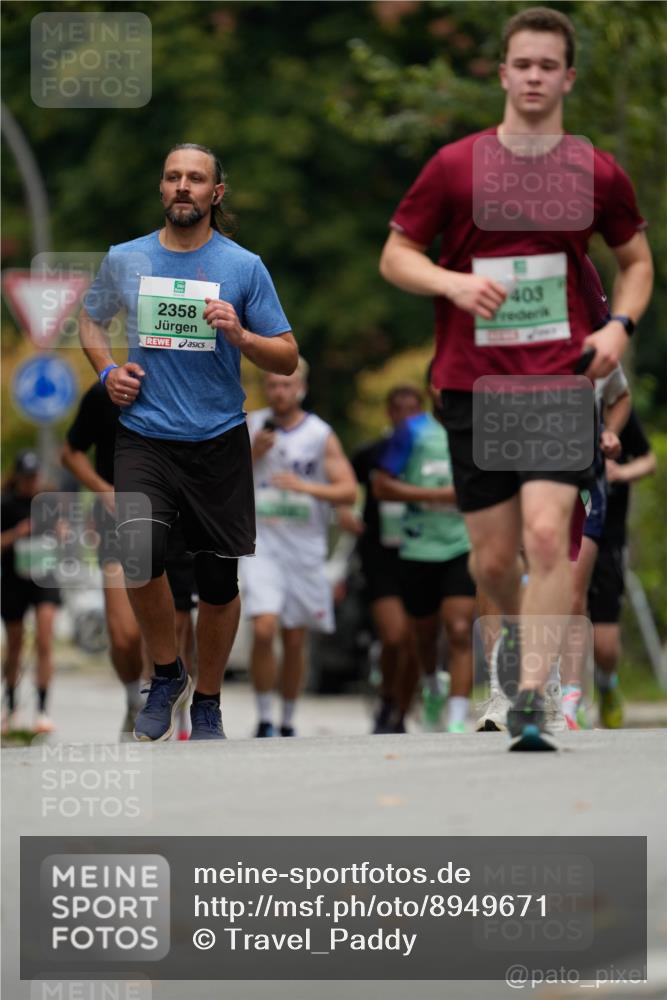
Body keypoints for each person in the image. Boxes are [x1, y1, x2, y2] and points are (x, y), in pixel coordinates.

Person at [380, 7, 652, 750]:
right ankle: (511, 662)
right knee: (493, 562)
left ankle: (534, 695)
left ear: (566, 77)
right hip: (472, 384)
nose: (533, 77)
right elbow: (395, 254)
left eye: (547, 66)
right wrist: (451, 284)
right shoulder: (454, 167)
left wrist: (615, 328)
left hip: (557, 379)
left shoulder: (593, 170)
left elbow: (635, 264)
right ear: (502, 74)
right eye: (521, 64)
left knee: (545, 535)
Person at [78, 142, 297, 742]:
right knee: (138, 553)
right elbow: (91, 319)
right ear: (161, 188)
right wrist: (106, 373)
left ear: (215, 194)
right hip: (145, 435)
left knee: (219, 585)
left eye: (195, 179)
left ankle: (208, 701)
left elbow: (286, 354)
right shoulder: (127, 259)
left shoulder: (243, 266)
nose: (183, 187)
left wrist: (241, 333)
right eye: (173, 176)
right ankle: (167, 674)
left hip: (219, 437)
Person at [62, 381, 198, 738]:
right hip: (118, 518)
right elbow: (71, 452)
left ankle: (167, 706)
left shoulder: (188, 384)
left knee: (176, 622)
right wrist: (103, 489)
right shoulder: (105, 392)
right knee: (123, 636)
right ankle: (133, 699)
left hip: (175, 518)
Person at [241, 359, 357, 737]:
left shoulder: (320, 434)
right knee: (263, 627)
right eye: (273, 385)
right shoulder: (251, 426)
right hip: (261, 543)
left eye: (286, 385)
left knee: (294, 636)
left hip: (305, 547)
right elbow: (219, 476)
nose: (279, 392)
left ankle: (288, 718)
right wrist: (253, 453)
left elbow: (348, 490)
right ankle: (263, 717)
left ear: (301, 388)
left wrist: (305, 487)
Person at [373, 375, 476, 733]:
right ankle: (432, 685)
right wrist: (432, 495)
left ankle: (458, 720)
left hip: (463, 544)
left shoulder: (480, 426)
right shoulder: (412, 431)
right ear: (433, 389)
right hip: (419, 546)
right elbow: (381, 485)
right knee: (424, 636)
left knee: (460, 629)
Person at [337, 384, 423, 734]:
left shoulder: (431, 452)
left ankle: (402, 709)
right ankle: (387, 697)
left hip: (422, 553)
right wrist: (344, 510)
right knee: (394, 636)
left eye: (412, 410)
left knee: (416, 640)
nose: (404, 416)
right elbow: (343, 484)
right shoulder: (371, 453)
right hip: (379, 555)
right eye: (398, 408)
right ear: (389, 412)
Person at [588, 408, 656, 727]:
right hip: (564, 534)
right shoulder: (554, 401)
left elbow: (648, 460)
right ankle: (565, 698)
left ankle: (606, 684)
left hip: (608, 537)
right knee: (563, 617)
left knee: (604, 645)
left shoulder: (621, 412)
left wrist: (621, 473)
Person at [1, 451, 60, 735]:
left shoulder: (49, 503)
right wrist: (18, 533)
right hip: (14, 579)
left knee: (45, 640)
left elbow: (67, 537)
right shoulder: (5, 504)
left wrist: (61, 533)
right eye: (26, 477)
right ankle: (10, 706)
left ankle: (43, 708)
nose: (30, 482)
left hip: (45, 576)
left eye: (34, 477)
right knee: (14, 644)